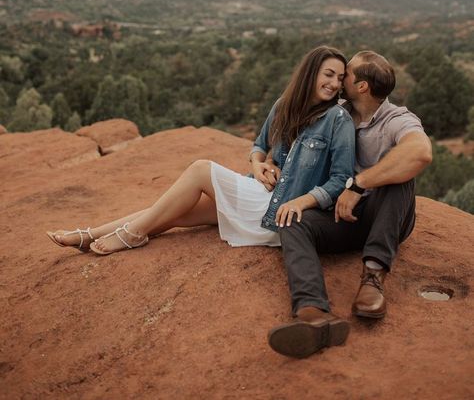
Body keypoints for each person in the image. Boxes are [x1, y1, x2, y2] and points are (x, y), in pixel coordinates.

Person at [47, 45, 356, 263]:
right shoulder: (285, 105)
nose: (334, 84)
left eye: (340, 79)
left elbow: (341, 179)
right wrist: (259, 164)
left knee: (199, 169)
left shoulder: (337, 119)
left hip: (280, 209)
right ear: (310, 72)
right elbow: (259, 145)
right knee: (172, 212)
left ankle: (134, 234)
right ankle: (89, 235)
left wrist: (302, 200)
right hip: (261, 191)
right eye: (328, 74)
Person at [268, 50, 432, 359]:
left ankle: (373, 275)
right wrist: (264, 161)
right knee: (291, 218)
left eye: (347, 75)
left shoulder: (396, 119)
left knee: (399, 175)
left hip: (385, 213)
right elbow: (285, 137)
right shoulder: (336, 112)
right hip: (342, 216)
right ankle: (314, 314)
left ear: (362, 88)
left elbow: (420, 153)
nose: (340, 78)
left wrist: (359, 184)